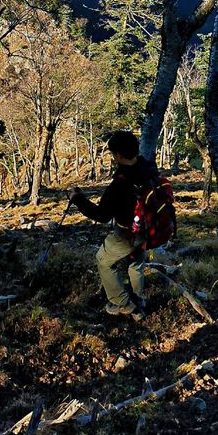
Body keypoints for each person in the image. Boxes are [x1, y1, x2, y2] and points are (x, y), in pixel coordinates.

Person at [70, 130, 157, 319]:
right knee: (136, 263)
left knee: (103, 260)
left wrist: (78, 199)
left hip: (126, 234)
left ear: (117, 155)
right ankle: (138, 298)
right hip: (147, 228)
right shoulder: (148, 169)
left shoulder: (120, 184)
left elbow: (101, 215)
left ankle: (123, 304)